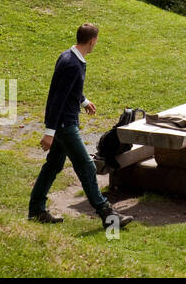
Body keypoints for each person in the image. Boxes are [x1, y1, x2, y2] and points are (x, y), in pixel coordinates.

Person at [28, 24, 133, 229]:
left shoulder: (69, 56)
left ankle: (36, 210)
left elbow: (68, 88)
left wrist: (83, 101)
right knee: (86, 166)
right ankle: (108, 216)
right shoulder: (72, 64)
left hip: (63, 124)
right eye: (96, 41)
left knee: (53, 166)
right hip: (65, 125)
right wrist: (49, 132)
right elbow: (58, 98)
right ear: (92, 40)